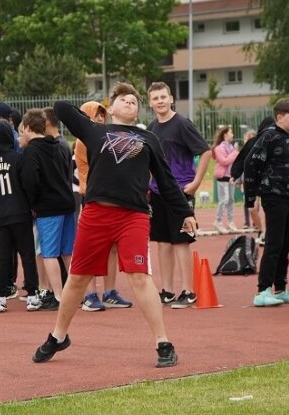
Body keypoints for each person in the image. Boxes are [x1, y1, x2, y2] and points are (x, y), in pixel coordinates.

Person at [33, 83, 197, 368]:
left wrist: (185, 211)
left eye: (134, 100)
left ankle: (163, 342)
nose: (130, 103)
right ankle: (58, 336)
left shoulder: (149, 139)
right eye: (124, 99)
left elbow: (167, 182)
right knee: (78, 278)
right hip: (96, 214)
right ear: (111, 107)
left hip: (132, 216)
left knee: (139, 277)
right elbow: (60, 108)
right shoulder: (96, 131)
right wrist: (95, 112)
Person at [146, 82, 210, 308]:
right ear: (150, 103)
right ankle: (167, 290)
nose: (160, 101)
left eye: (163, 97)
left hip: (180, 191)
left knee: (181, 241)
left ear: (171, 98)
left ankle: (188, 290)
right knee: (162, 242)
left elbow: (205, 151)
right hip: (156, 192)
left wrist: (195, 183)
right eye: (155, 98)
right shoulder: (151, 129)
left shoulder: (182, 124)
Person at [74, 101, 133, 312]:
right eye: (95, 116)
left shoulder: (109, 138)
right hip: (92, 198)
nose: (99, 119)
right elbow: (87, 174)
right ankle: (90, 294)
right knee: (91, 248)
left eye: (102, 116)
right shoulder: (84, 142)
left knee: (113, 249)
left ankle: (110, 292)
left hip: (112, 197)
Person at [0, 119, 40, 313]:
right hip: (21, 213)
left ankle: (0, 297)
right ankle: (32, 295)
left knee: (2, 256)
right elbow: (28, 184)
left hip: (0, 216)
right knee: (27, 255)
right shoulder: (18, 158)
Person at [244, 99, 289, 307]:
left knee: (286, 243)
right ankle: (263, 290)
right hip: (273, 196)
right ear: (279, 117)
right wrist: (252, 196)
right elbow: (251, 163)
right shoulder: (269, 136)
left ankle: (281, 287)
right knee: (274, 242)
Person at [20, 109, 75, 308]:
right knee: (68, 251)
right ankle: (75, 292)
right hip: (67, 203)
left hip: (48, 207)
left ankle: (59, 295)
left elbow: (30, 180)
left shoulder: (32, 151)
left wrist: (32, 203)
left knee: (49, 253)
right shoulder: (58, 145)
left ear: (27, 127)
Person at [211, 126, 239, 233]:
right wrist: (235, 153)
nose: (232, 135)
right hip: (222, 176)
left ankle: (231, 222)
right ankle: (218, 222)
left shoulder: (231, 147)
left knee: (231, 199)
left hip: (231, 176)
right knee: (224, 199)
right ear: (225, 134)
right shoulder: (219, 148)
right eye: (231, 132)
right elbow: (224, 161)